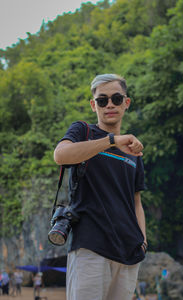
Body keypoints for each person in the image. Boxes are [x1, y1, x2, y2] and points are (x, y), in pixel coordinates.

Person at [54, 73, 148, 300]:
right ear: (93, 105)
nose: (110, 105)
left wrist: (143, 242)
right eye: (102, 100)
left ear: (126, 103)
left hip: (129, 251)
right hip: (90, 247)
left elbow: (136, 201)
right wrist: (112, 141)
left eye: (116, 98)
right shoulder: (83, 132)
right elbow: (61, 155)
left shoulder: (134, 153)